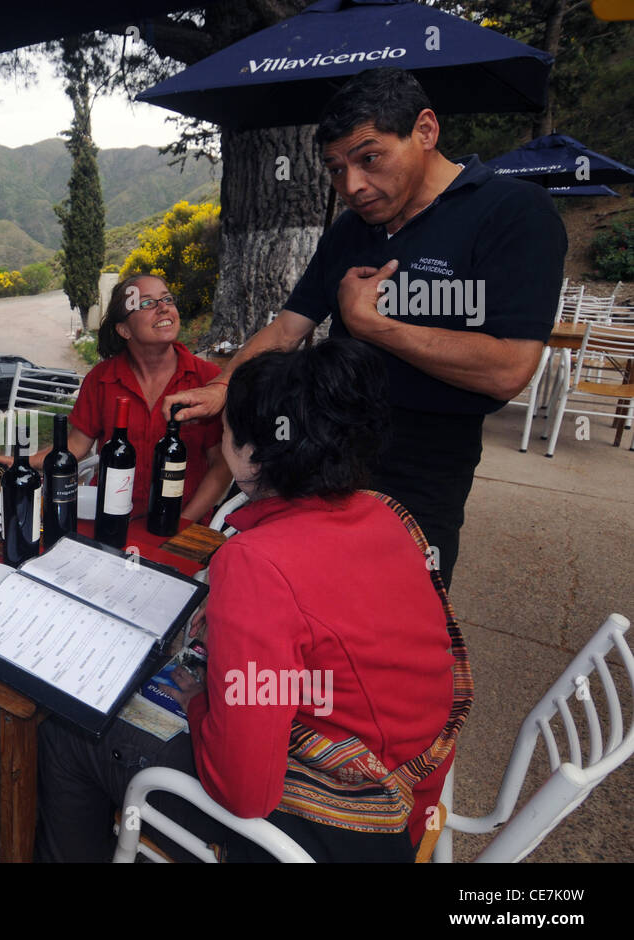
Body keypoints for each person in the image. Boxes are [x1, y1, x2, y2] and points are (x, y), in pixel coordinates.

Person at [36, 339, 471, 862]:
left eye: (226, 433)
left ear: (257, 452)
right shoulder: (384, 511)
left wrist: (199, 699)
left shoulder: (256, 564)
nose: (219, 443)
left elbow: (242, 791)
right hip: (411, 770)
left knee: (71, 727)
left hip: (332, 827)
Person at [166, 68, 566, 587]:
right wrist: (223, 385)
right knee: (292, 586)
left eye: (369, 158)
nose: (352, 185)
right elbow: (288, 328)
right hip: (321, 444)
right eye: (336, 168)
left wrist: (371, 325)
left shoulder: (513, 212)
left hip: (422, 467)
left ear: (425, 130)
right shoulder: (352, 228)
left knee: (390, 608)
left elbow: (509, 368)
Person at [17, 274, 231, 525]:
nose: (163, 307)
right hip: (109, 517)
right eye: (147, 303)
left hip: (180, 523)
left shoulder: (209, 381)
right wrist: (16, 462)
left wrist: (183, 522)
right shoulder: (101, 379)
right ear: (124, 329)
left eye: (167, 299)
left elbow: (222, 465)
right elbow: (74, 448)